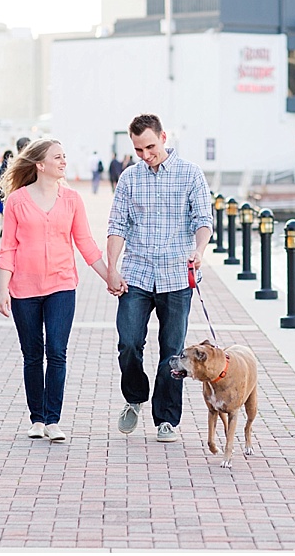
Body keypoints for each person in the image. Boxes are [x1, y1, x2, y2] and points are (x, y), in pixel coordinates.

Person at [0, 139, 115, 441]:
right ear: (40, 165)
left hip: (62, 285)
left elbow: (86, 243)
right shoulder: (17, 201)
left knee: (57, 352)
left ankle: (53, 420)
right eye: (57, 157)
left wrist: (109, 276)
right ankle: (36, 419)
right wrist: (3, 289)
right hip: (24, 288)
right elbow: (8, 247)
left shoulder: (72, 199)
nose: (63, 162)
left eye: (64, 156)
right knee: (33, 355)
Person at [107, 113, 213, 443]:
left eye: (150, 146)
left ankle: (166, 418)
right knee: (128, 342)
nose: (145, 154)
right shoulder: (129, 178)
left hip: (177, 275)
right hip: (136, 273)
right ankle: (135, 398)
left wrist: (200, 249)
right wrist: (112, 267)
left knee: (172, 351)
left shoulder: (190, 173)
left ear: (164, 137)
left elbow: (204, 219)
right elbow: (117, 226)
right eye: (139, 150)